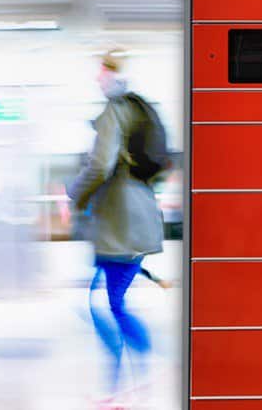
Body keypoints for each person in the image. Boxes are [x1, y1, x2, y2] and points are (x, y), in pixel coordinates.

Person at [68, 50, 166, 408]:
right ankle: (124, 380)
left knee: (104, 305)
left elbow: (100, 165)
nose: (97, 78)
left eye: (101, 71)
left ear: (112, 74)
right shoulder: (136, 109)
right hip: (134, 217)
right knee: (108, 303)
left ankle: (131, 374)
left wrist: (74, 195)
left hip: (118, 222)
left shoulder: (114, 111)